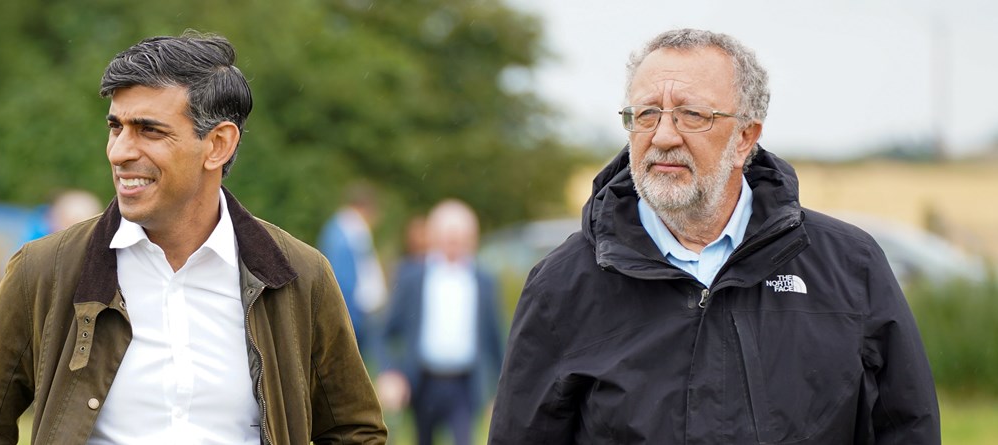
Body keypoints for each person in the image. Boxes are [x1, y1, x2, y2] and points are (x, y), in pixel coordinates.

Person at [0, 31, 386, 445]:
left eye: (149, 130)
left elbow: (353, 432)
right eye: (116, 127)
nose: (120, 151)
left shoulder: (298, 277)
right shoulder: (44, 270)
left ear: (219, 145)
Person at [489, 29, 939, 443]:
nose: (663, 135)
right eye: (646, 113)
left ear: (745, 136)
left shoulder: (850, 266)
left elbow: (906, 428)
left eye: (691, 115)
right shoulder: (561, 285)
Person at [380, 200, 504, 445]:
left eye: (460, 236)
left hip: (465, 384)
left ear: (472, 238)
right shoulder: (411, 276)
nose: (454, 241)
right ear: (434, 236)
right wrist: (390, 373)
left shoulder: (484, 281)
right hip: (422, 380)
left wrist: (500, 393)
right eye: (448, 235)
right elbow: (385, 332)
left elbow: (496, 340)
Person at [318, 183, 389, 368]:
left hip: (356, 314)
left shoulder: (346, 230)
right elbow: (343, 281)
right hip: (353, 316)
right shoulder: (346, 233)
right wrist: (349, 319)